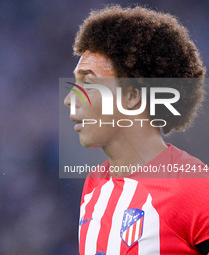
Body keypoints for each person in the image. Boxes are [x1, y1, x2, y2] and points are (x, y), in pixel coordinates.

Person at [64, 5, 209, 255]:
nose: (69, 99)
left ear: (131, 96)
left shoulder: (195, 187)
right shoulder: (93, 185)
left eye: (87, 82)